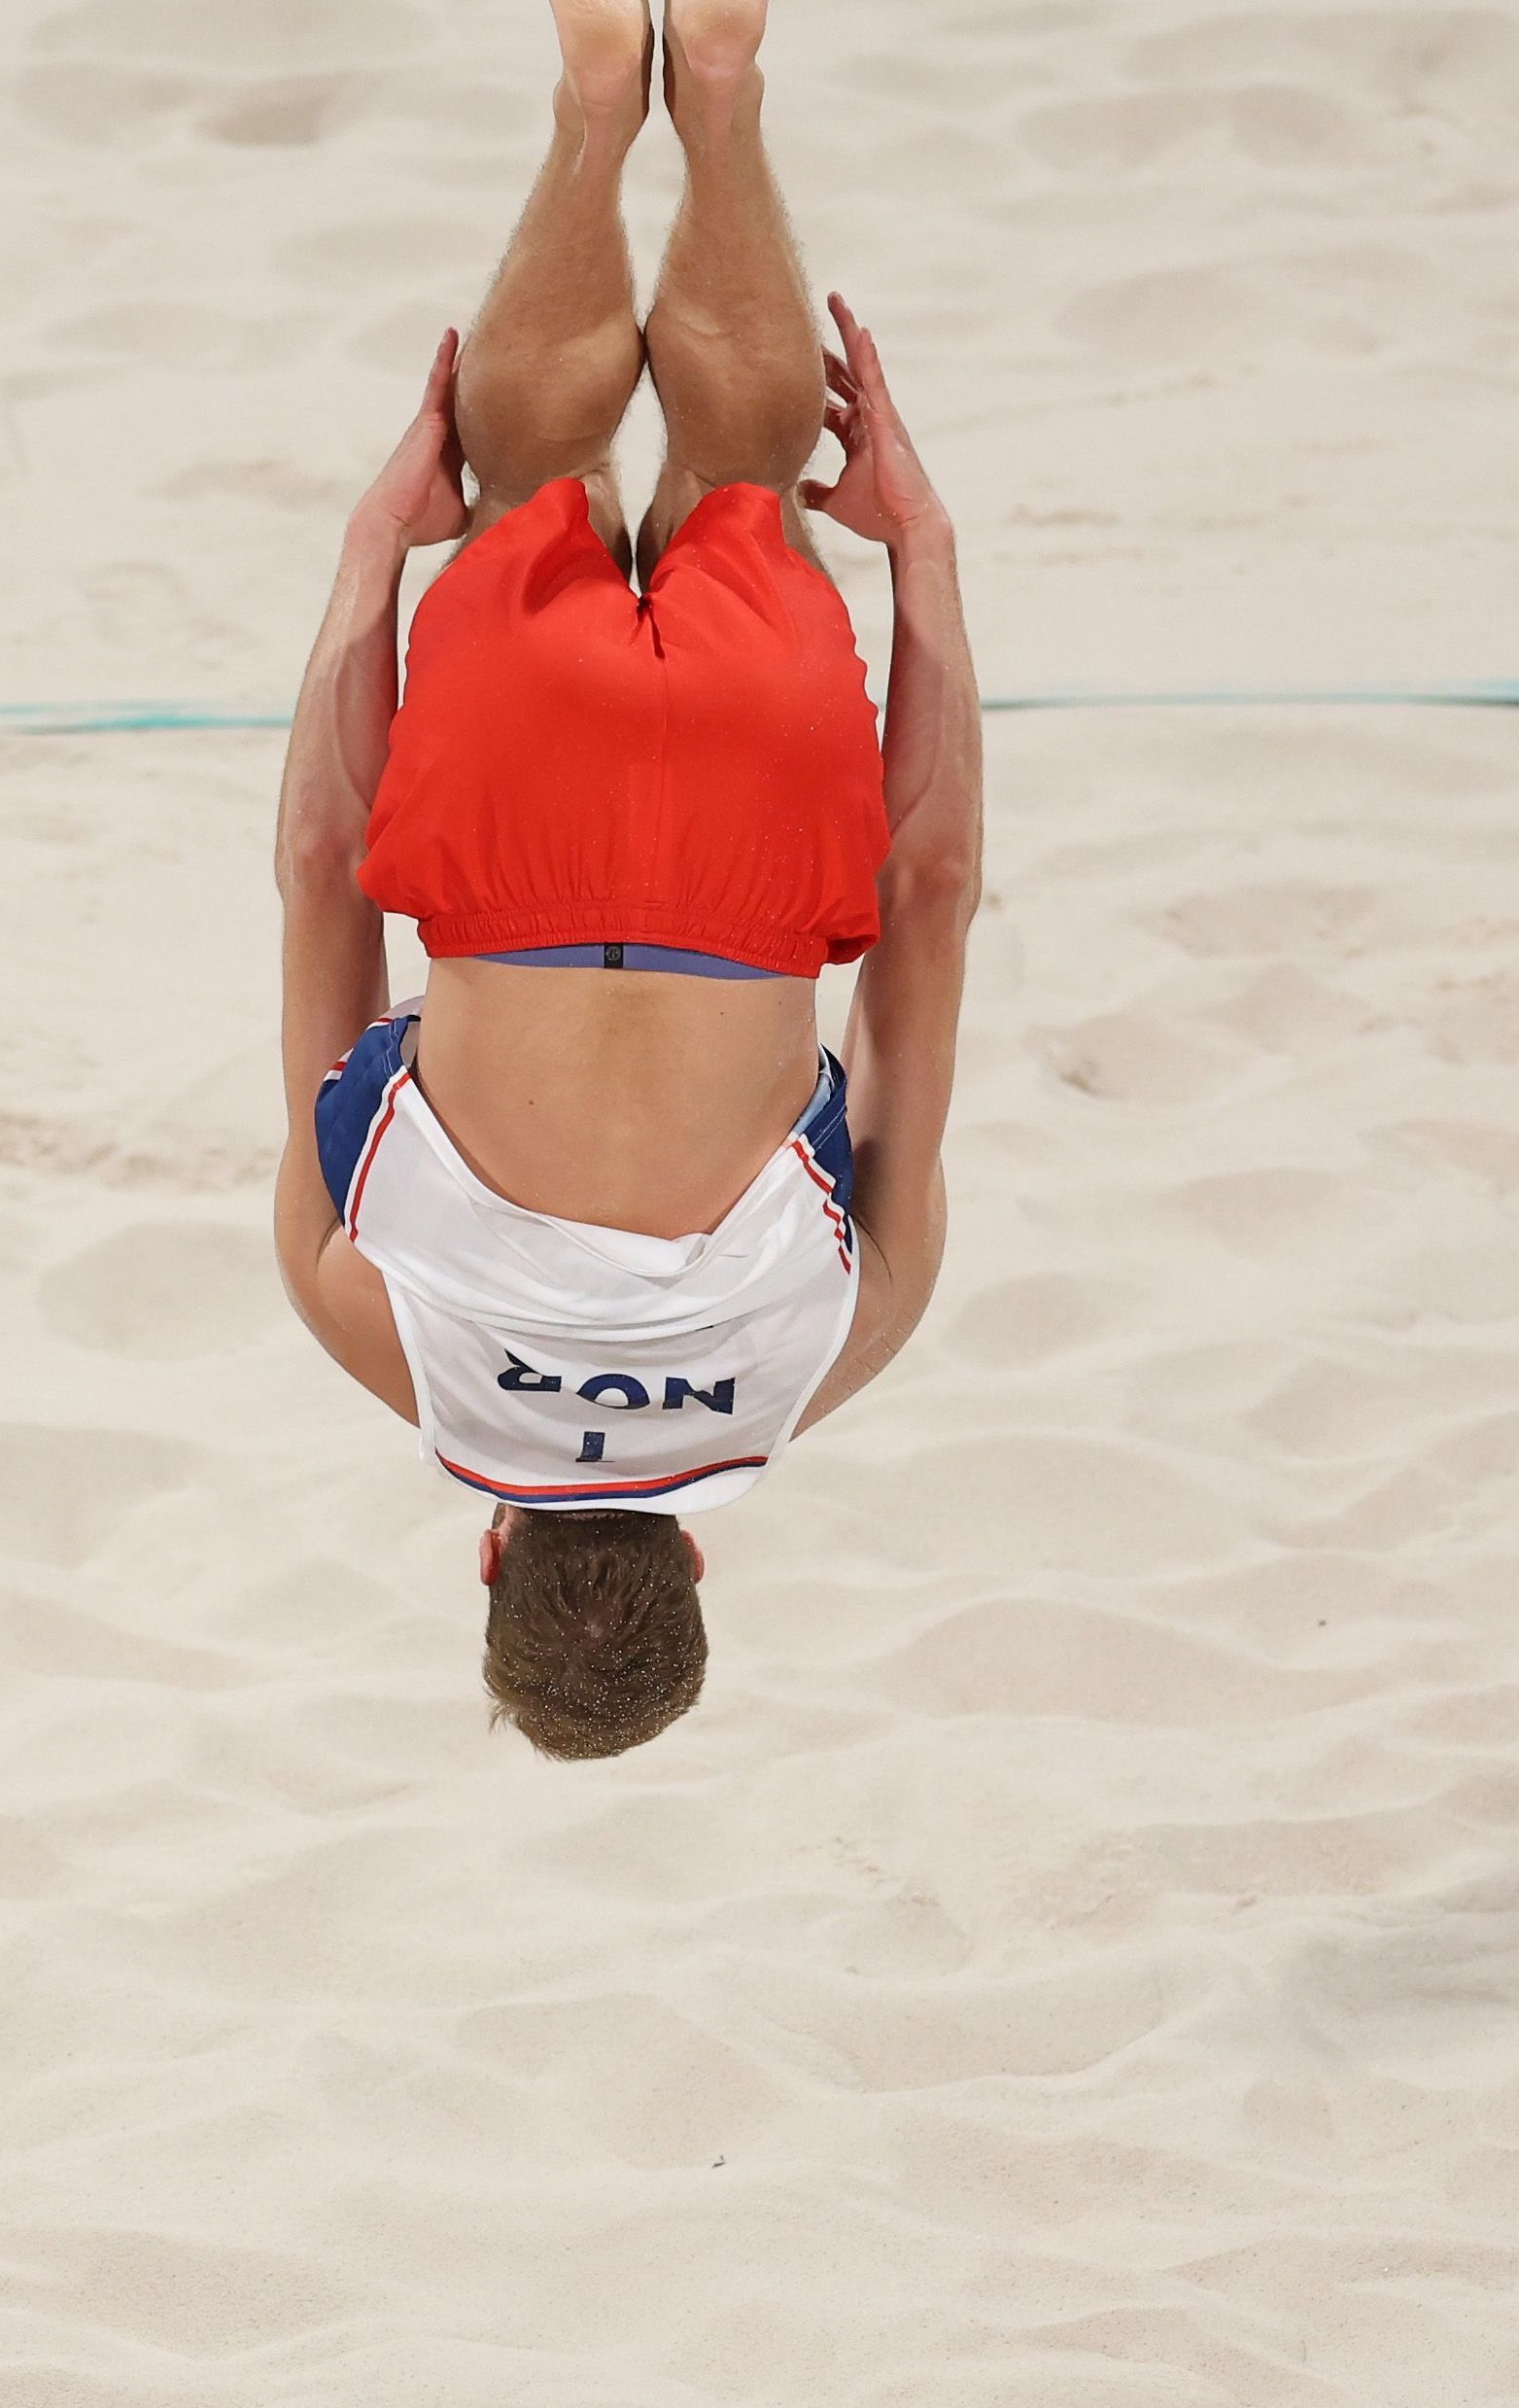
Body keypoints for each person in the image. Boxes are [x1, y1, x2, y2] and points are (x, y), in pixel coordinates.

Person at [270, 0, 985, 1758]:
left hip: (747, 875)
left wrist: (927, 563)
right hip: (512, 861)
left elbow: (938, 893)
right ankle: (599, 114)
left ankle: (720, 98)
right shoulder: (364, 1319)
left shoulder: (841, 1344)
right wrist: (374, 557)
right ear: (491, 1556)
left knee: (744, 474)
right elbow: (315, 876)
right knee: (534, 469)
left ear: (696, 1565)